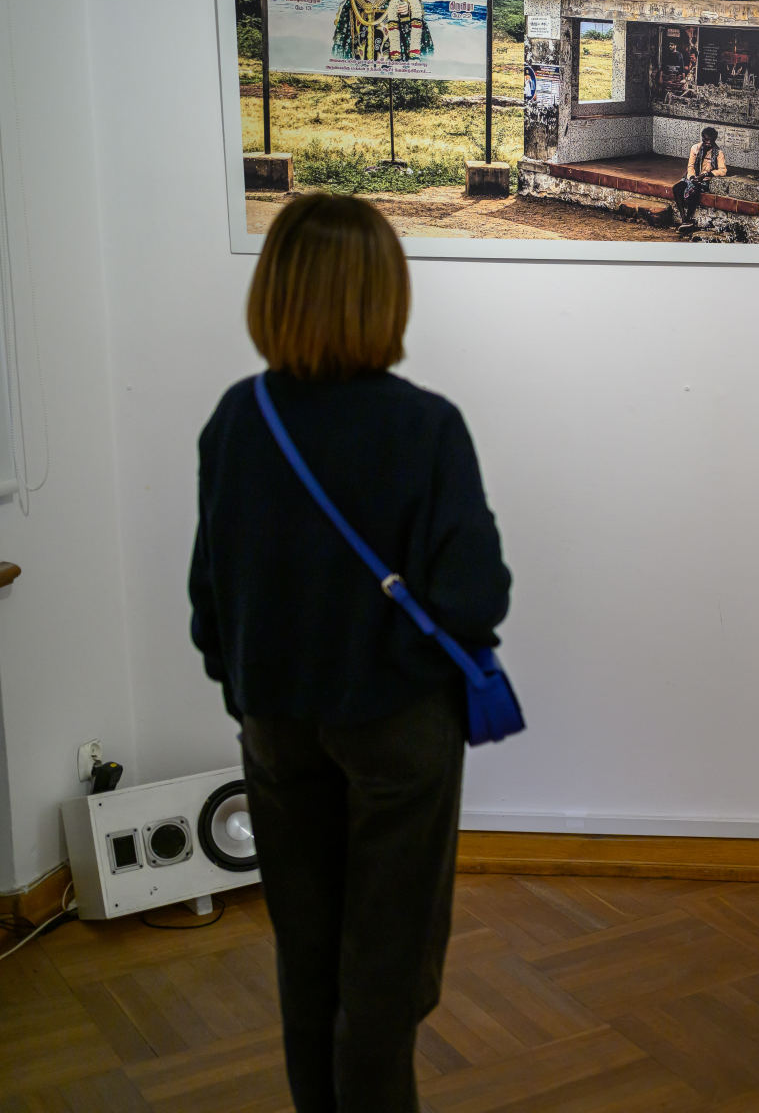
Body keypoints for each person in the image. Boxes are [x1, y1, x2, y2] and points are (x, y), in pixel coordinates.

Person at [189, 193, 510, 1112]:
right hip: (397, 728)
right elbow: (475, 596)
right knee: (386, 962)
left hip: (275, 724)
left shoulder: (238, 418)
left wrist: (245, 688)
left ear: (274, 292)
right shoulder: (426, 427)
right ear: (385, 295)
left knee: (307, 950)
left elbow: (210, 593)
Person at [673, 126, 728, 235]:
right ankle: (684, 220)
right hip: (692, 178)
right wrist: (692, 177)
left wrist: (706, 174)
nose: (708, 143)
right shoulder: (695, 148)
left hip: (705, 181)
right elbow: (690, 166)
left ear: (714, 139)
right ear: (702, 138)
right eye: (706, 140)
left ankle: (688, 218)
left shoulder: (718, 153)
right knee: (677, 188)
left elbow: (723, 170)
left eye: (710, 140)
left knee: (694, 191)